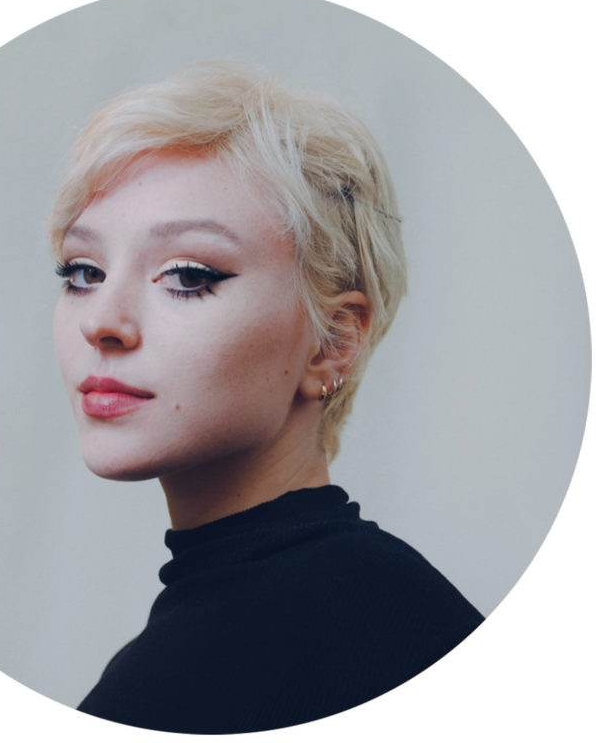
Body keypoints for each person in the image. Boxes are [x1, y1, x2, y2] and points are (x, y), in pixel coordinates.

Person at [49, 62, 483, 734]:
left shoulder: (332, 627)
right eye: (84, 271)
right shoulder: (332, 608)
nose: (102, 320)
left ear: (333, 341)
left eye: (187, 275)